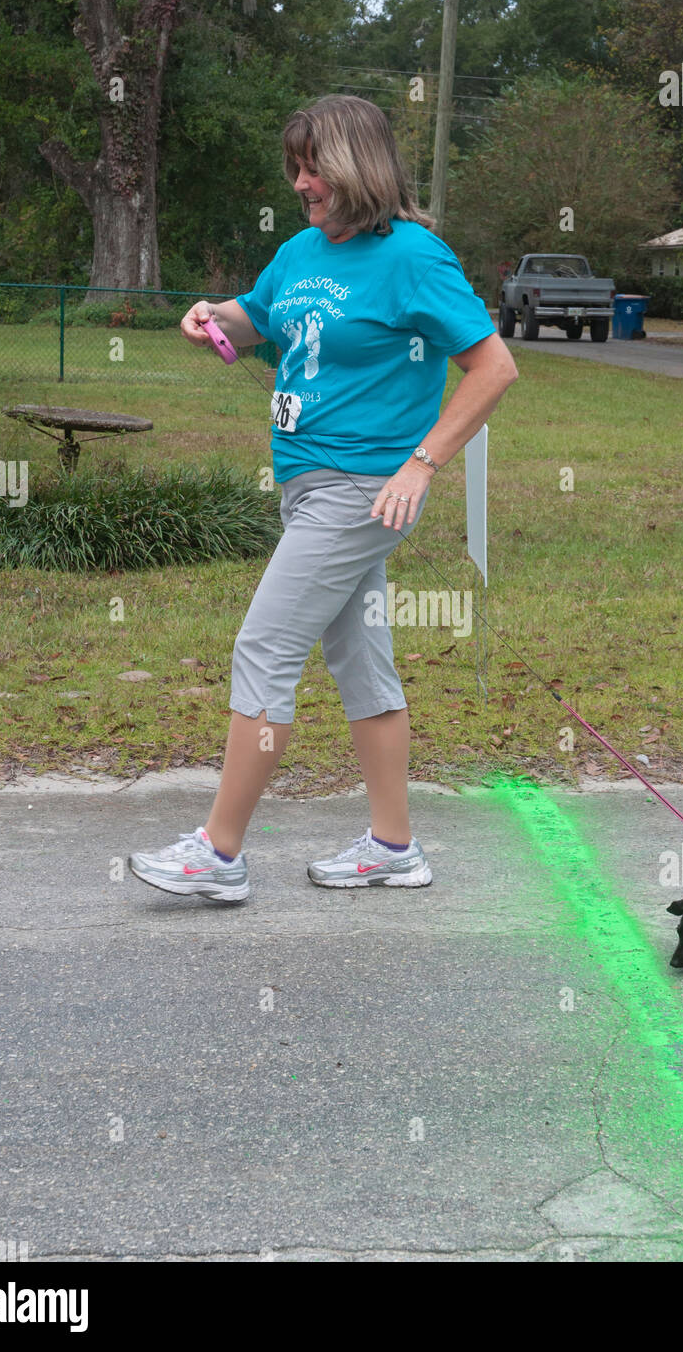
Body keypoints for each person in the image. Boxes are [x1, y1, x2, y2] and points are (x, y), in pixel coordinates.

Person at [128, 94, 517, 903]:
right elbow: (253, 319)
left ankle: (220, 854)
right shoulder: (301, 252)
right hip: (303, 485)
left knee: (264, 648)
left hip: (362, 490)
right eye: (296, 169)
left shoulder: (412, 256)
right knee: (359, 662)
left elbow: (493, 368)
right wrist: (208, 319)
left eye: (316, 168)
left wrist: (422, 464)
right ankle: (393, 847)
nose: (303, 183)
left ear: (359, 167)